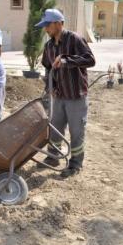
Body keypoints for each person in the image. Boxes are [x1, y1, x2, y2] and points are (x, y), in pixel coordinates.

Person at [35, 9, 96, 178]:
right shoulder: (48, 46)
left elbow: (90, 59)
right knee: (55, 129)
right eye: (45, 26)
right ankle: (53, 157)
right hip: (58, 96)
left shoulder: (74, 39)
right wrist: (50, 86)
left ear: (58, 23)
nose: (45, 29)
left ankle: (75, 163)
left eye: (47, 25)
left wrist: (67, 60)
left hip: (76, 95)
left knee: (77, 131)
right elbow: (48, 66)